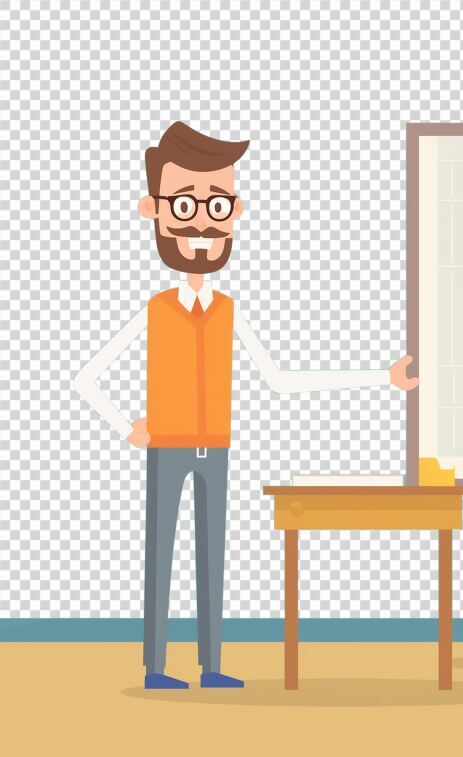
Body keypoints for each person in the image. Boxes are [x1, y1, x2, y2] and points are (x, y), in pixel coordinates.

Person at [74, 122, 418, 689]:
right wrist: (127, 427)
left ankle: (211, 666)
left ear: (235, 213)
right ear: (154, 212)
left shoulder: (230, 310)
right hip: (166, 448)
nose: (203, 222)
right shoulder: (156, 310)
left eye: (217, 204)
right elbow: (88, 378)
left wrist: (382, 377)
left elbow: (280, 379)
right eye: (184, 204)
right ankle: (156, 666)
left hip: (218, 450)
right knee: (161, 559)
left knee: (212, 559)